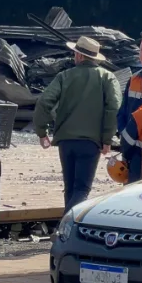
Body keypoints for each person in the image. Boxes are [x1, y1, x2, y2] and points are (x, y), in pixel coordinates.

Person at [33, 36, 121, 213]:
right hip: (91, 142)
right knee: (82, 189)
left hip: (65, 141)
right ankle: (64, 229)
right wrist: (107, 138)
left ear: (79, 56)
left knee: (70, 188)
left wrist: (42, 132)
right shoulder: (107, 78)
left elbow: (44, 102)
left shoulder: (64, 77)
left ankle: (65, 231)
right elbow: (113, 107)